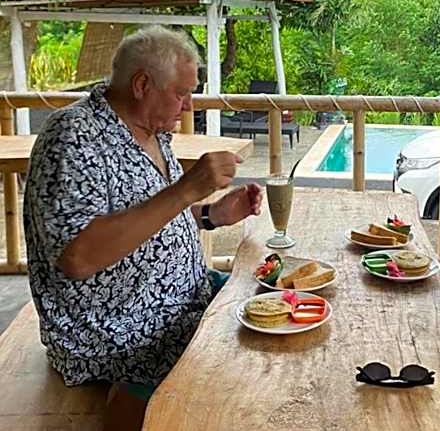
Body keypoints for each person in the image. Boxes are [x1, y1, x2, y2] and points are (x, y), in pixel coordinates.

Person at [24, 26, 263, 388]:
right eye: (181, 93)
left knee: (276, 300)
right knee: (252, 370)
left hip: (184, 300)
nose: (189, 106)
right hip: (121, 336)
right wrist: (185, 190)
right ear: (141, 85)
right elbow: (78, 256)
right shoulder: (74, 136)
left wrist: (212, 215)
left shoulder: (152, 131)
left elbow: (144, 221)